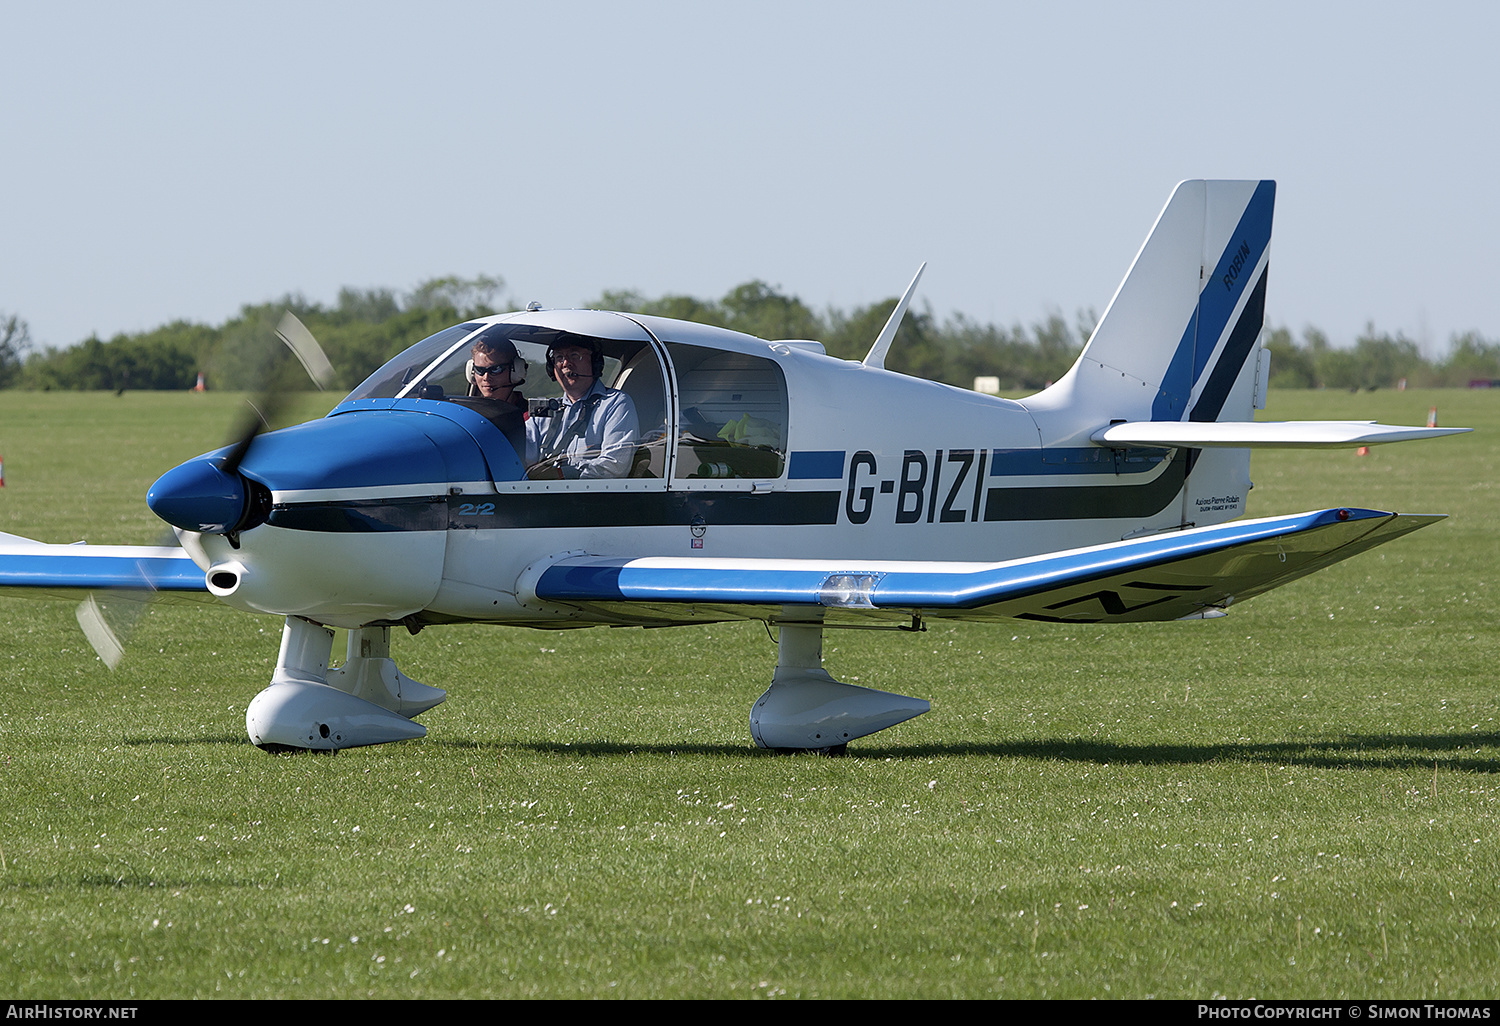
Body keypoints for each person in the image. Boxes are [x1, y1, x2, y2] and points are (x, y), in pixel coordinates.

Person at [525, 338, 638, 479]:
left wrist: (562, 475)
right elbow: (519, 458)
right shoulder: (544, 409)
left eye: (574, 355)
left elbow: (615, 466)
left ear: (595, 362)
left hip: (588, 498)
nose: (566, 363)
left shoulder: (615, 403)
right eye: (559, 357)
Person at [468, 336, 527, 410]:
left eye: (495, 369)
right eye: (479, 369)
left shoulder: (533, 419)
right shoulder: (468, 415)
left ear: (516, 370)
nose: (486, 377)